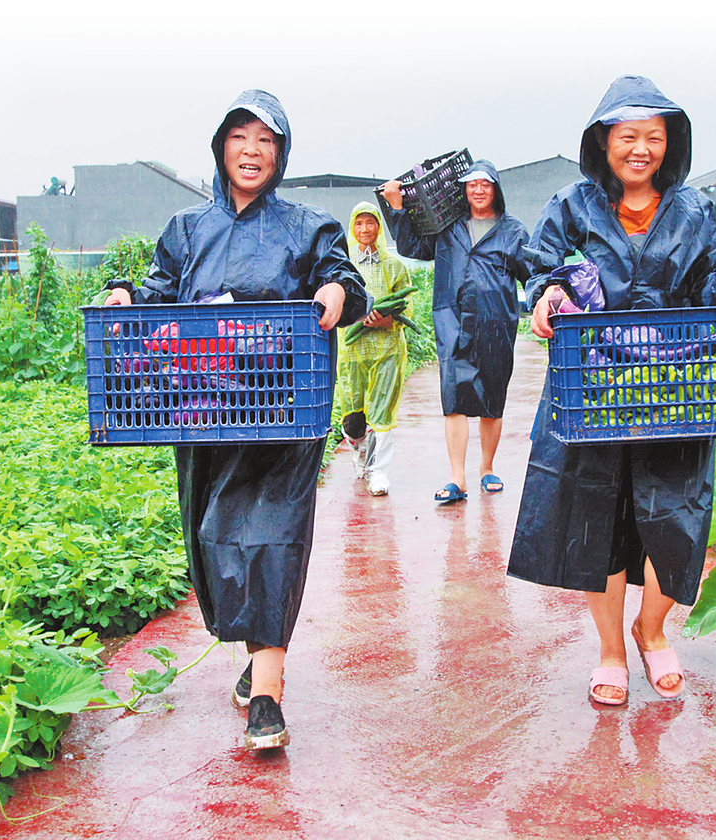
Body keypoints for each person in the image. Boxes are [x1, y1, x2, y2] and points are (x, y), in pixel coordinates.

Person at [102, 89, 370, 749]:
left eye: (266, 141)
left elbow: (346, 281)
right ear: (221, 147)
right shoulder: (187, 228)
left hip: (281, 411)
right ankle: (254, 665)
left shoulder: (310, 226)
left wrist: (337, 291)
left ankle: (268, 700)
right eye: (240, 138)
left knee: (271, 539)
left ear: (280, 154)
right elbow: (160, 287)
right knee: (215, 538)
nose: (252, 152)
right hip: (206, 411)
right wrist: (127, 294)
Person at [507, 75, 716, 705]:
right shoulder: (571, 205)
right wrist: (549, 294)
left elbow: (712, 269)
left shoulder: (693, 208)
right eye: (628, 136)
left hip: (677, 387)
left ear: (670, 143)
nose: (641, 148)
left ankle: (651, 629)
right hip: (592, 386)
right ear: (604, 142)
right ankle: (611, 649)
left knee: (677, 514)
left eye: (654, 136)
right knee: (596, 516)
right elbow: (540, 267)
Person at [380, 160, 531, 504]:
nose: (478, 191)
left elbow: (531, 273)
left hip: (497, 322)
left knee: (493, 398)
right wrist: (399, 210)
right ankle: (457, 477)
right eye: (472, 185)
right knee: (454, 398)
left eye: (485, 185)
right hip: (452, 319)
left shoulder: (513, 231)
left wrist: (546, 299)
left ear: (496, 190)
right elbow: (413, 248)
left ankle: (487, 468)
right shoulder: (449, 228)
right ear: (463, 191)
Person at [338, 201, 414, 496]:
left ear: (379, 228)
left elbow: (408, 303)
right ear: (352, 228)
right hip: (352, 348)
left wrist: (388, 320)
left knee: (382, 413)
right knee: (353, 416)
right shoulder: (344, 263)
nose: (365, 229)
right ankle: (359, 450)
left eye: (370, 223)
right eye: (359, 223)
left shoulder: (393, 265)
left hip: (387, 348)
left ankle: (378, 472)